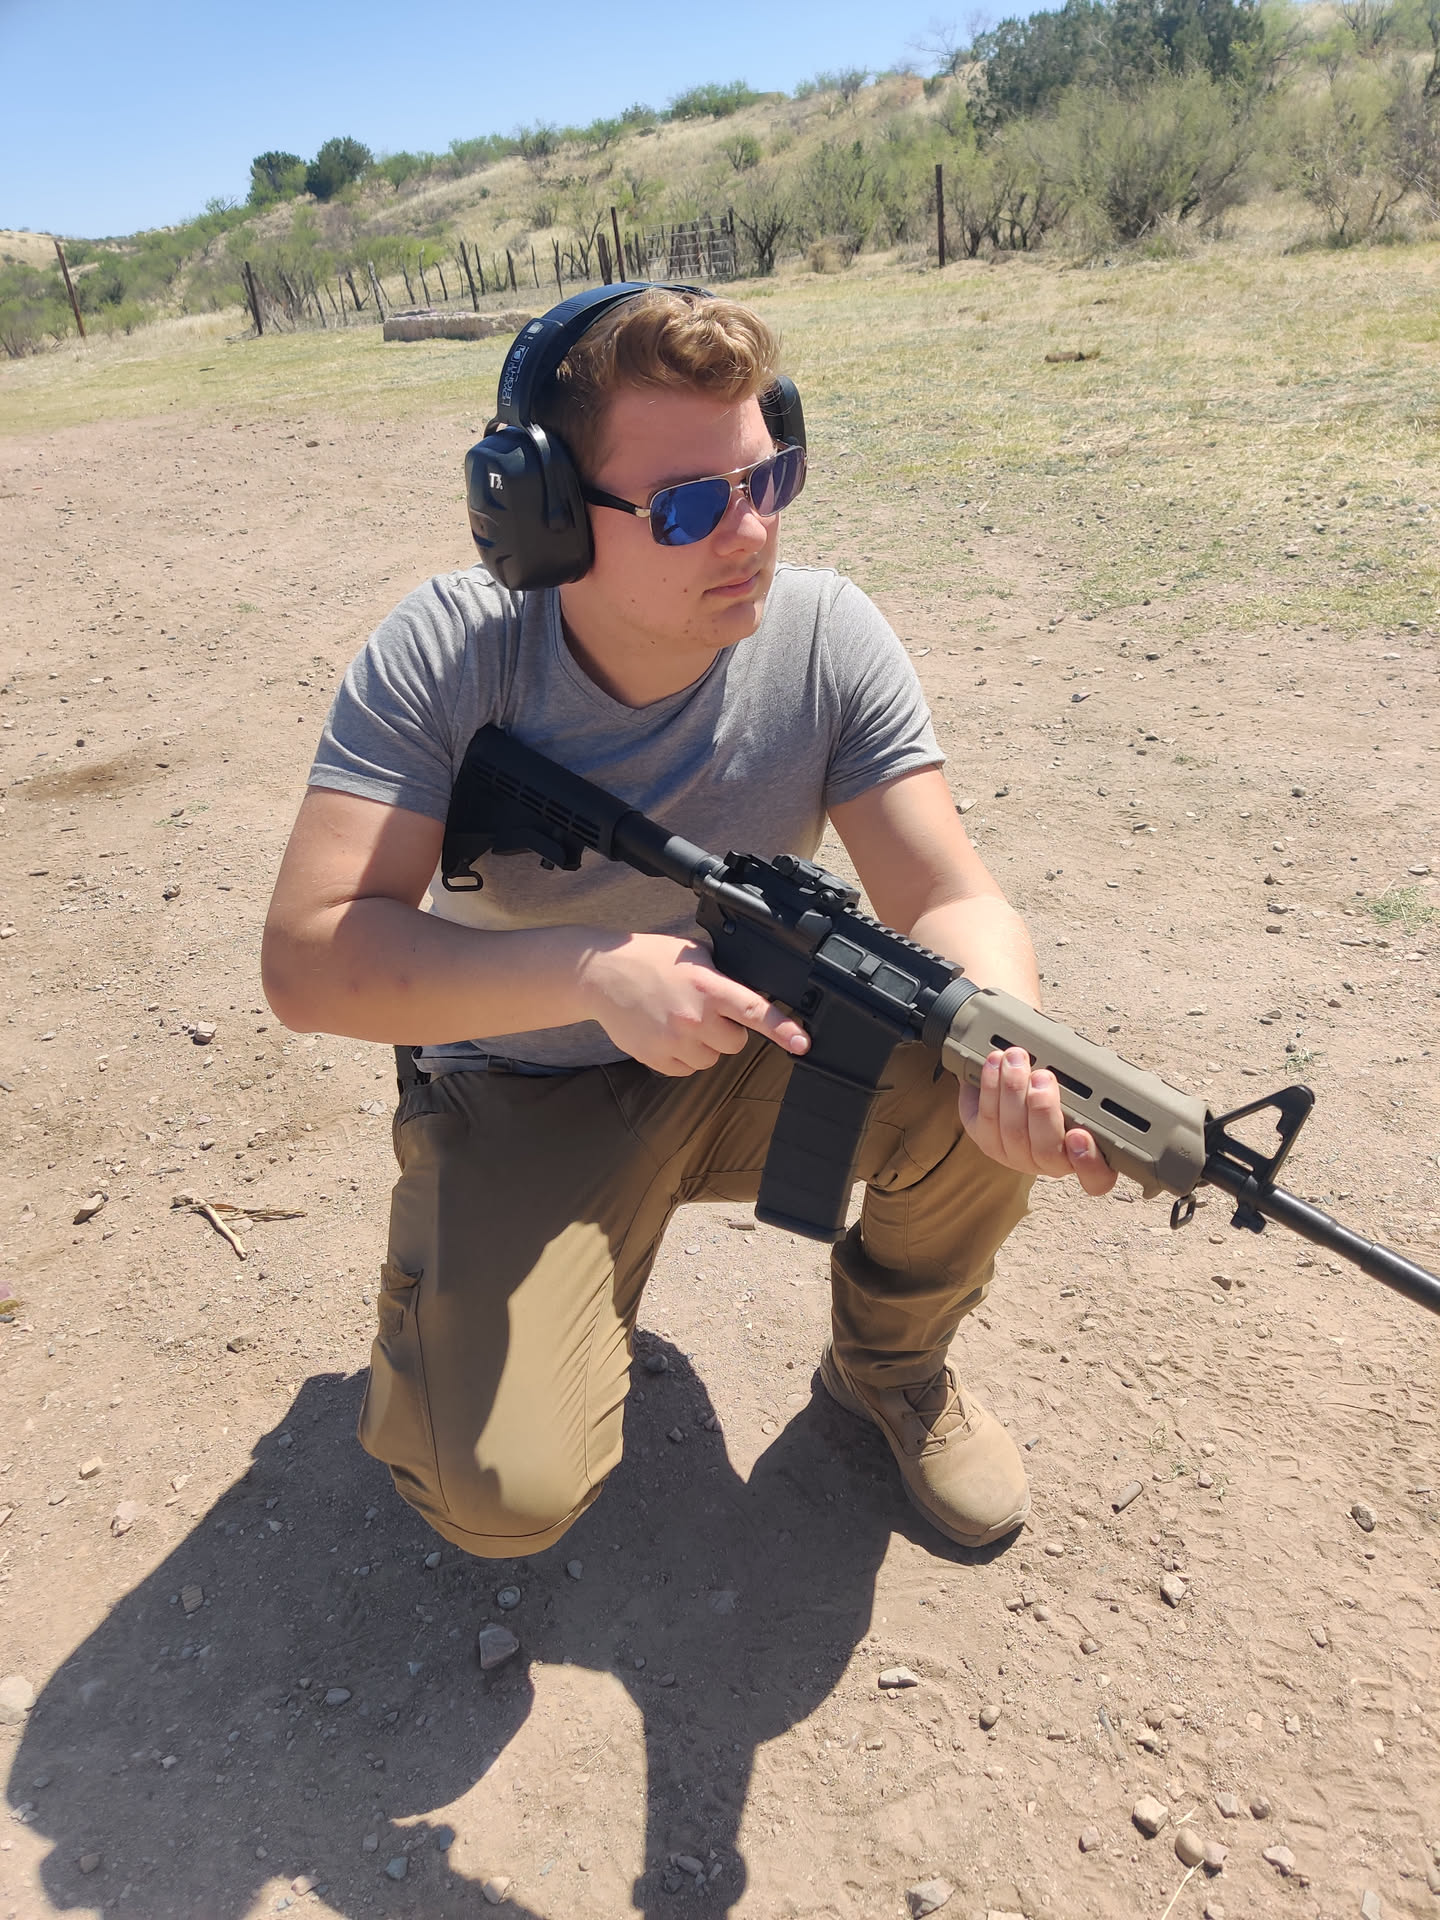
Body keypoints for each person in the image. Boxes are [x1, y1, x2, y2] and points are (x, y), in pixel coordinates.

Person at [261, 283, 1115, 1565]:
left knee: (967, 1047)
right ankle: (459, 1297)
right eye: (686, 507)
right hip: (525, 1081)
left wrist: (1011, 1054)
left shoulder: (826, 637)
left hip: (754, 1043)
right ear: (547, 518)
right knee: (498, 1493)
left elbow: (948, 895)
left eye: (770, 481)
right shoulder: (451, 654)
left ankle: (888, 1367)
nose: (750, 533)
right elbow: (310, 958)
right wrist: (592, 972)